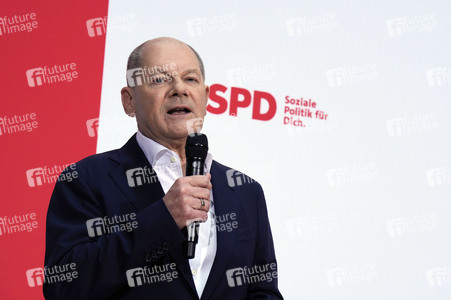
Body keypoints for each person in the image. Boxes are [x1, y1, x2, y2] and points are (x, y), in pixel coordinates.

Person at [44, 37, 283, 299]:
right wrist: (163, 218)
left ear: (205, 97)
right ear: (129, 101)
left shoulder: (245, 191)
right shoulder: (87, 179)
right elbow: (63, 287)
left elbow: (263, 291)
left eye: (190, 79)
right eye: (159, 80)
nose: (179, 89)